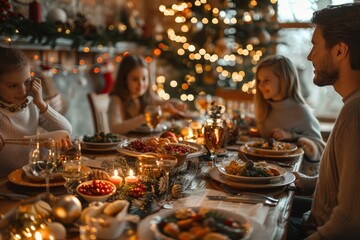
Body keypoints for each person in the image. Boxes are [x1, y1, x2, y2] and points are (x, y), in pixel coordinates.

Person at [288, 3, 360, 239]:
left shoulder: (355, 113)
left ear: (340, 51)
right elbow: (350, 184)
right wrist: (309, 183)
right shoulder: (352, 104)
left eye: (315, 46)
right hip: (311, 219)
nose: (310, 56)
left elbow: (349, 222)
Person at [0, 47, 72, 177]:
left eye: (27, 82)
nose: (22, 92)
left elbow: (66, 130)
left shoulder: (32, 105)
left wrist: (41, 103)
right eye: (13, 86)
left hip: (35, 177)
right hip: (6, 184)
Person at [254, 55, 325, 176]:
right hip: (266, 172)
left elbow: (320, 151)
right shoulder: (266, 110)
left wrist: (292, 136)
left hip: (296, 179)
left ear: (284, 80)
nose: (260, 86)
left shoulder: (301, 112)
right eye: (259, 81)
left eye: (266, 80)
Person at [108, 54, 187, 134]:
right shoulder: (116, 99)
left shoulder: (147, 96)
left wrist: (176, 104)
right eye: (135, 79)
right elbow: (115, 128)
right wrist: (146, 116)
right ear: (124, 80)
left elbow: (162, 103)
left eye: (144, 78)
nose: (141, 84)